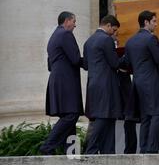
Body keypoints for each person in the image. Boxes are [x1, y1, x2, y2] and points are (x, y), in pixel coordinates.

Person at [121, 11, 159, 153]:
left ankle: (144, 150)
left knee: (145, 118)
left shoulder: (130, 41)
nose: (156, 24)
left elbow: (126, 62)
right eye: (154, 21)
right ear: (146, 22)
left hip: (137, 84)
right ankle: (152, 151)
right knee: (156, 115)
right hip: (152, 83)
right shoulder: (151, 39)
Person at [40, 11, 84, 155]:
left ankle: (72, 154)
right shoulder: (65, 34)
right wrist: (94, 61)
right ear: (66, 21)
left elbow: (49, 65)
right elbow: (76, 59)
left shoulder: (53, 37)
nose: (75, 25)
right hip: (66, 82)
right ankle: (48, 146)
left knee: (70, 117)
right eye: (74, 21)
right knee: (71, 115)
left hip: (57, 81)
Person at [83, 15, 122, 154]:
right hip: (106, 85)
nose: (114, 33)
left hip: (93, 84)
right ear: (108, 25)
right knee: (103, 117)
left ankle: (108, 152)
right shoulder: (106, 40)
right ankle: (91, 151)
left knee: (108, 117)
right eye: (114, 30)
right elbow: (114, 63)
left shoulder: (88, 41)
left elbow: (86, 65)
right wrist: (123, 58)